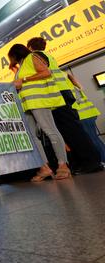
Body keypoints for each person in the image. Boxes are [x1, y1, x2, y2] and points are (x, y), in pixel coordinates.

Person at [26, 37, 102, 174]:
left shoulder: (35, 56)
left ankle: (91, 162)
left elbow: (44, 74)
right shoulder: (47, 56)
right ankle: (85, 162)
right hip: (62, 94)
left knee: (73, 130)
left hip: (58, 95)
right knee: (69, 130)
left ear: (30, 47)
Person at [8, 44, 71, 181]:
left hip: (39, 101)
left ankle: (63, 165)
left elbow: (46, 72)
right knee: (32, 136)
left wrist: (23, 80)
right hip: (27, 104)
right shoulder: (21, 67)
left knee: (50, 130)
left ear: (14, 54)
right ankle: (45, 168)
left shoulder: (32, 57)